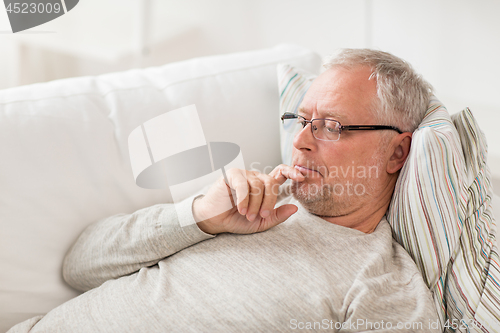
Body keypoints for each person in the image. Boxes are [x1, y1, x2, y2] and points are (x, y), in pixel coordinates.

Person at [9, 49, 441, 333]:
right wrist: (198, 218)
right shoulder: (242, 201)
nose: (300, 142)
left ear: (397, 153)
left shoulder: (385, 289)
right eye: (300, 120)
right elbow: (79, 266)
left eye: (331, 126)